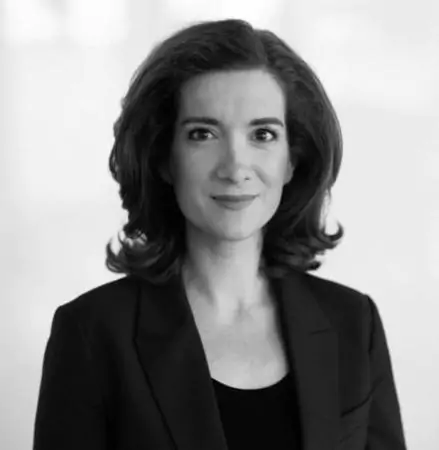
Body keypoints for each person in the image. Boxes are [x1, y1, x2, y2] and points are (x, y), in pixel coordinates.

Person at [33, 18, 407, 450]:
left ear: (292, 159)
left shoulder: (354, 323)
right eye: (203, 134)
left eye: (263, 134)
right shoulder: (92, 333)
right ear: (164, 158)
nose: (234, 167)